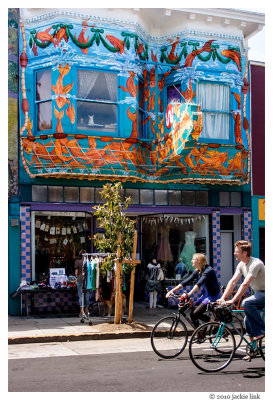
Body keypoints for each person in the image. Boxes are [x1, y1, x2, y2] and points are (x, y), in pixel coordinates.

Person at [217, 241, 265, 346]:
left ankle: (262, 330)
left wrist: (233, 300)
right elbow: (233, 281)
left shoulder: (256, 264)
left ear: (244, 253)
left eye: (237, 251)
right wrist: (223, 298)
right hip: (258, 293)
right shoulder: (241, 264)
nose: (234, 253)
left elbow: (245, 284)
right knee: (247, 319)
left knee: (246, 303)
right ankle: (253, 347)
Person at [166, 253, 221, 329]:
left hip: (213, 296)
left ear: (199, 261)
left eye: (193, 259)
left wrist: (188, 294)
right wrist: (172, 290)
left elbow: (198, 284)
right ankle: (199, 333)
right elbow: (185, 282)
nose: (191, 261)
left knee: (196, 313)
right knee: (192, 313)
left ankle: (216, 324)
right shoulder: (197, 271)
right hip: (205, 295)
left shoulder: (208, 270)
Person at [74, 250, 90, 317]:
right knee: (86, 295)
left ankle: (81, 310)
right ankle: (87, 309)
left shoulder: (78, 262)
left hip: (80, 279)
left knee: (81, 295)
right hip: (87, 280)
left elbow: (76, 273)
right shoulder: (87, 262)